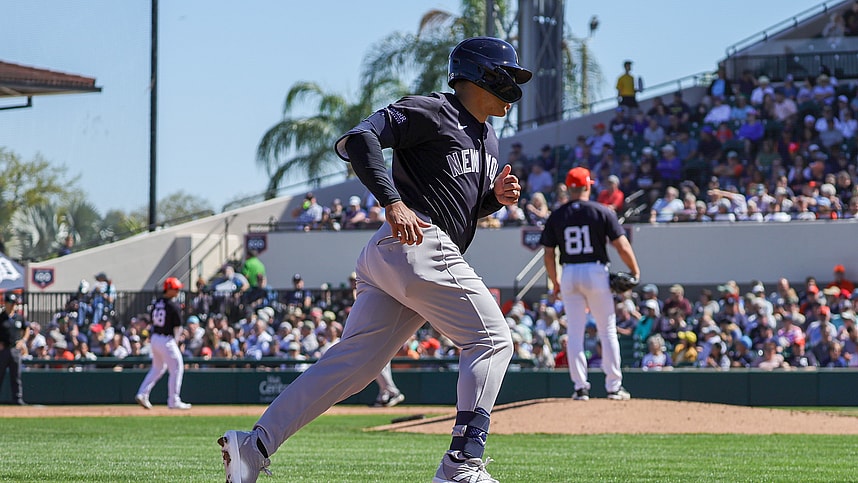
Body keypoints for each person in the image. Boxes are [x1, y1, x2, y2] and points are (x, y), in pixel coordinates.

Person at [218, 37, 531, 483]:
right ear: (485, 74)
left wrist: (493, 200)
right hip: (415, 241)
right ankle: (462, 464)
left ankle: (254, 446)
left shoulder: (489, 138)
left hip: (404, 254)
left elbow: (460, 204)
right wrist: (391, 200)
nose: (515, 84)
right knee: (493, 340)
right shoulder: (432, 109)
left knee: (356, 366)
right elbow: (359, 138)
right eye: (510, 74)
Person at [540, 166, 641, 401]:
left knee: (575, 333)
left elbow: (548, 253)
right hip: (595, 271)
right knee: (607, 330)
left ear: (568, 187)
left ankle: (580, 388)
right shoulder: (601, 211)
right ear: (587, 186)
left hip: (569, 272)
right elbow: (622, 245)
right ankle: (613, 387)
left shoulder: (557, 214)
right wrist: (635, 270)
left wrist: (555, 282)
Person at [134, 277, 192, 410]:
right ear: (169, 289)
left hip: (155, 338)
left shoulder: (157, 302)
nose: (178, 291)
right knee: (177, 368)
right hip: (167, 339)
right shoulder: (173, 305)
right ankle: (174, 400)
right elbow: (177, 327)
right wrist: (176, 342)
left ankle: (142, 393)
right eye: (176, 289)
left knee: (157, 368)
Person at [0, 293, 29, 405]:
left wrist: (23, 341)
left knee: (16, 376)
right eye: (10, 303)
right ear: (5, 303)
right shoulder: (1, 317)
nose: (12, 305)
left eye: (14, 303)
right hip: (3, 350)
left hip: (15, 350)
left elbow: (26, 328)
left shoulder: (19, 318)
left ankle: (18, 399)